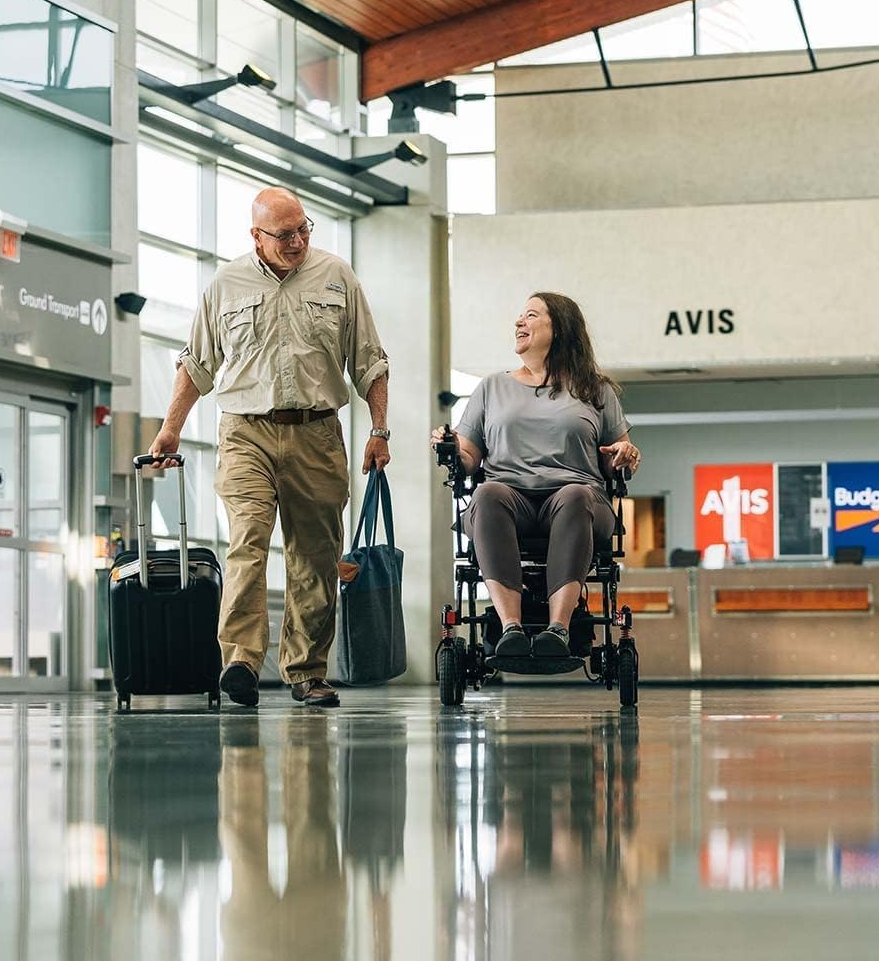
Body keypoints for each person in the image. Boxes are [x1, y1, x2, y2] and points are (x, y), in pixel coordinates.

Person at [148, 187, 390, 708]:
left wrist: (379, 429)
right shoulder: (225, 284)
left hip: (318, 433)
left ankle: (306, 671)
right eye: (285, 234)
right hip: (245, 433)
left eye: (304, 229)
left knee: (315, 558)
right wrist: (171, 429)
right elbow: (196, 365)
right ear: (256, 236)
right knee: (249, 540)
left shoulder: (337, 277)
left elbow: (369, 360)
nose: (298, 241)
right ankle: (240, 660)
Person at [430, 292, 640, 658]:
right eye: (519, 316)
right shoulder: (492, 387)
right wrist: (449, 446)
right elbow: (468, 458)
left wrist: (623, 454)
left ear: (559, 329)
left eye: (530, 315)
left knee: (575, 495)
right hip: (510, 501)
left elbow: (614, 455)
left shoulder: (595, 389)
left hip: (579, 501)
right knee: (487, 493)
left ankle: (558, 630)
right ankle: (510, 627)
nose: (518, 322)